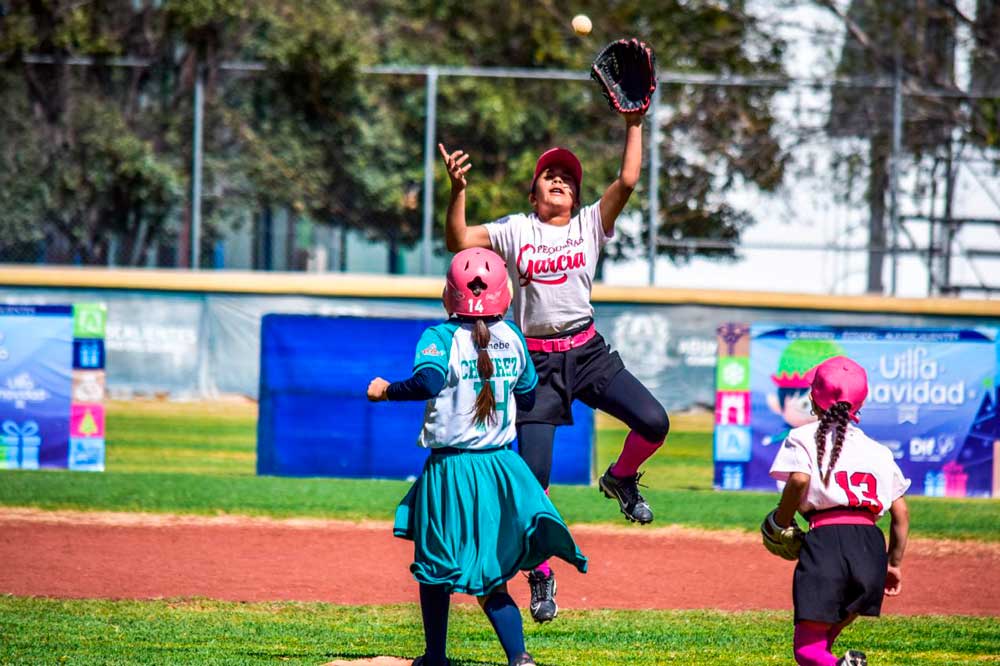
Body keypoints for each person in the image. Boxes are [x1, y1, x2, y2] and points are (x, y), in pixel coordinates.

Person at [439, 110, 669, 623]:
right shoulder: (516, 230)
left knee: (655, 422)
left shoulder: (590, 223)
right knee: (535, 478)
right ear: (534, 193)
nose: (560, 180)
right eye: (550, 175)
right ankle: (540, 573)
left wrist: (635, 122)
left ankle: (621, 478)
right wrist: (457, 190)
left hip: (587, 354)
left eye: (568, 176)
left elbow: (628, 179)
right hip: (536, 367)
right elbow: (458, 241)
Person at [367, 247, 588, 666]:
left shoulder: (441, 338)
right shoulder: (514, 338)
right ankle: (519, 658)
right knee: (490, 572)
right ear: (503, 295)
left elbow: (428, 382)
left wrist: (385, 391)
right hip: (500, 467)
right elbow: (526, 393)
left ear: (450, 295)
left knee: (435, 566)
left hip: (452, 468)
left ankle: (435, 656)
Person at [767, 356, 911, 666]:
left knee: (806, 651)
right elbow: (901, 514)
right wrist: (893, 565)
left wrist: (781, 522)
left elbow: (799, 480)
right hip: (871, 550)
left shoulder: (803, 437)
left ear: (813, 398)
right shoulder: (879, 451)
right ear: (862, 401)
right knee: (822, 644)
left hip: (828, 543)